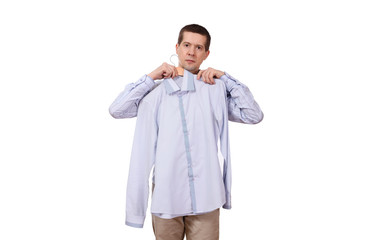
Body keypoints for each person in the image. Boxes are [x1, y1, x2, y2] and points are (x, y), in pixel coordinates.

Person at [109, 24, 263, 240]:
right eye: (187, 45)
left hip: (207, 197)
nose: (191, 52)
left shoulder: (214, 89)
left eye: (199, 47)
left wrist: (226, 78)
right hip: (166, 198)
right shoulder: (156, 91)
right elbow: (117, 110)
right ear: (177, 47)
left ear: (206, 54)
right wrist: (152, 76)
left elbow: (253, 115)